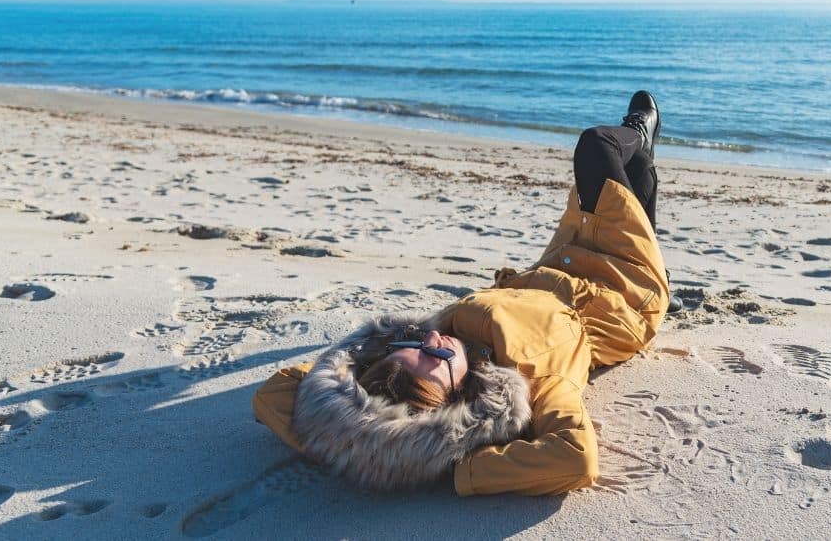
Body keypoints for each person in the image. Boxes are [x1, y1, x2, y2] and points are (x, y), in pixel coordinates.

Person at [251, 91, 671, 496]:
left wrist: (361, 438)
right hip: (622, 291)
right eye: (435, 357)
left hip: (562, 260)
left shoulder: (440, 340)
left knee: (632, 178)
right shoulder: (529, 382)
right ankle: (638, 130)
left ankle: (644, 152)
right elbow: (575, 460)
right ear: (450, 400)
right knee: (597, 147)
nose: (432, 339)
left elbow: (276, 392)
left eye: (411, 344)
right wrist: (444, 462)